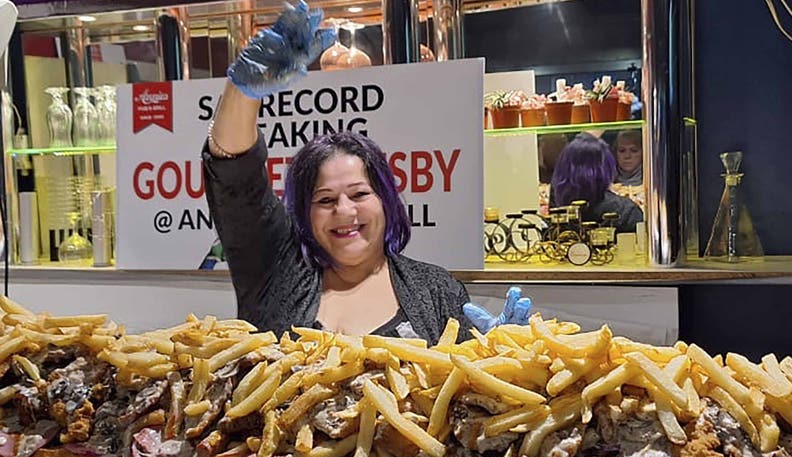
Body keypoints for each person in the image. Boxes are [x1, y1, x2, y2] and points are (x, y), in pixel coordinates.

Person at [203, 2, 529, 344]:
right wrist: (241, 93)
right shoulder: (274, 271)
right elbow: (235, 177)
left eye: (359, 194)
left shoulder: (437, 291)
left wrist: (497, 355)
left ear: (386, 201)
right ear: (305, 213)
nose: (344, 211)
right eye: (325, 199)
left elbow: (465, 389)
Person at [550, 134, 643, 233]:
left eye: (634, 150)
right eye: (622, 150)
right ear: (606, 168)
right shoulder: (626, 212)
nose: (627, 156)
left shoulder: (556, 210)